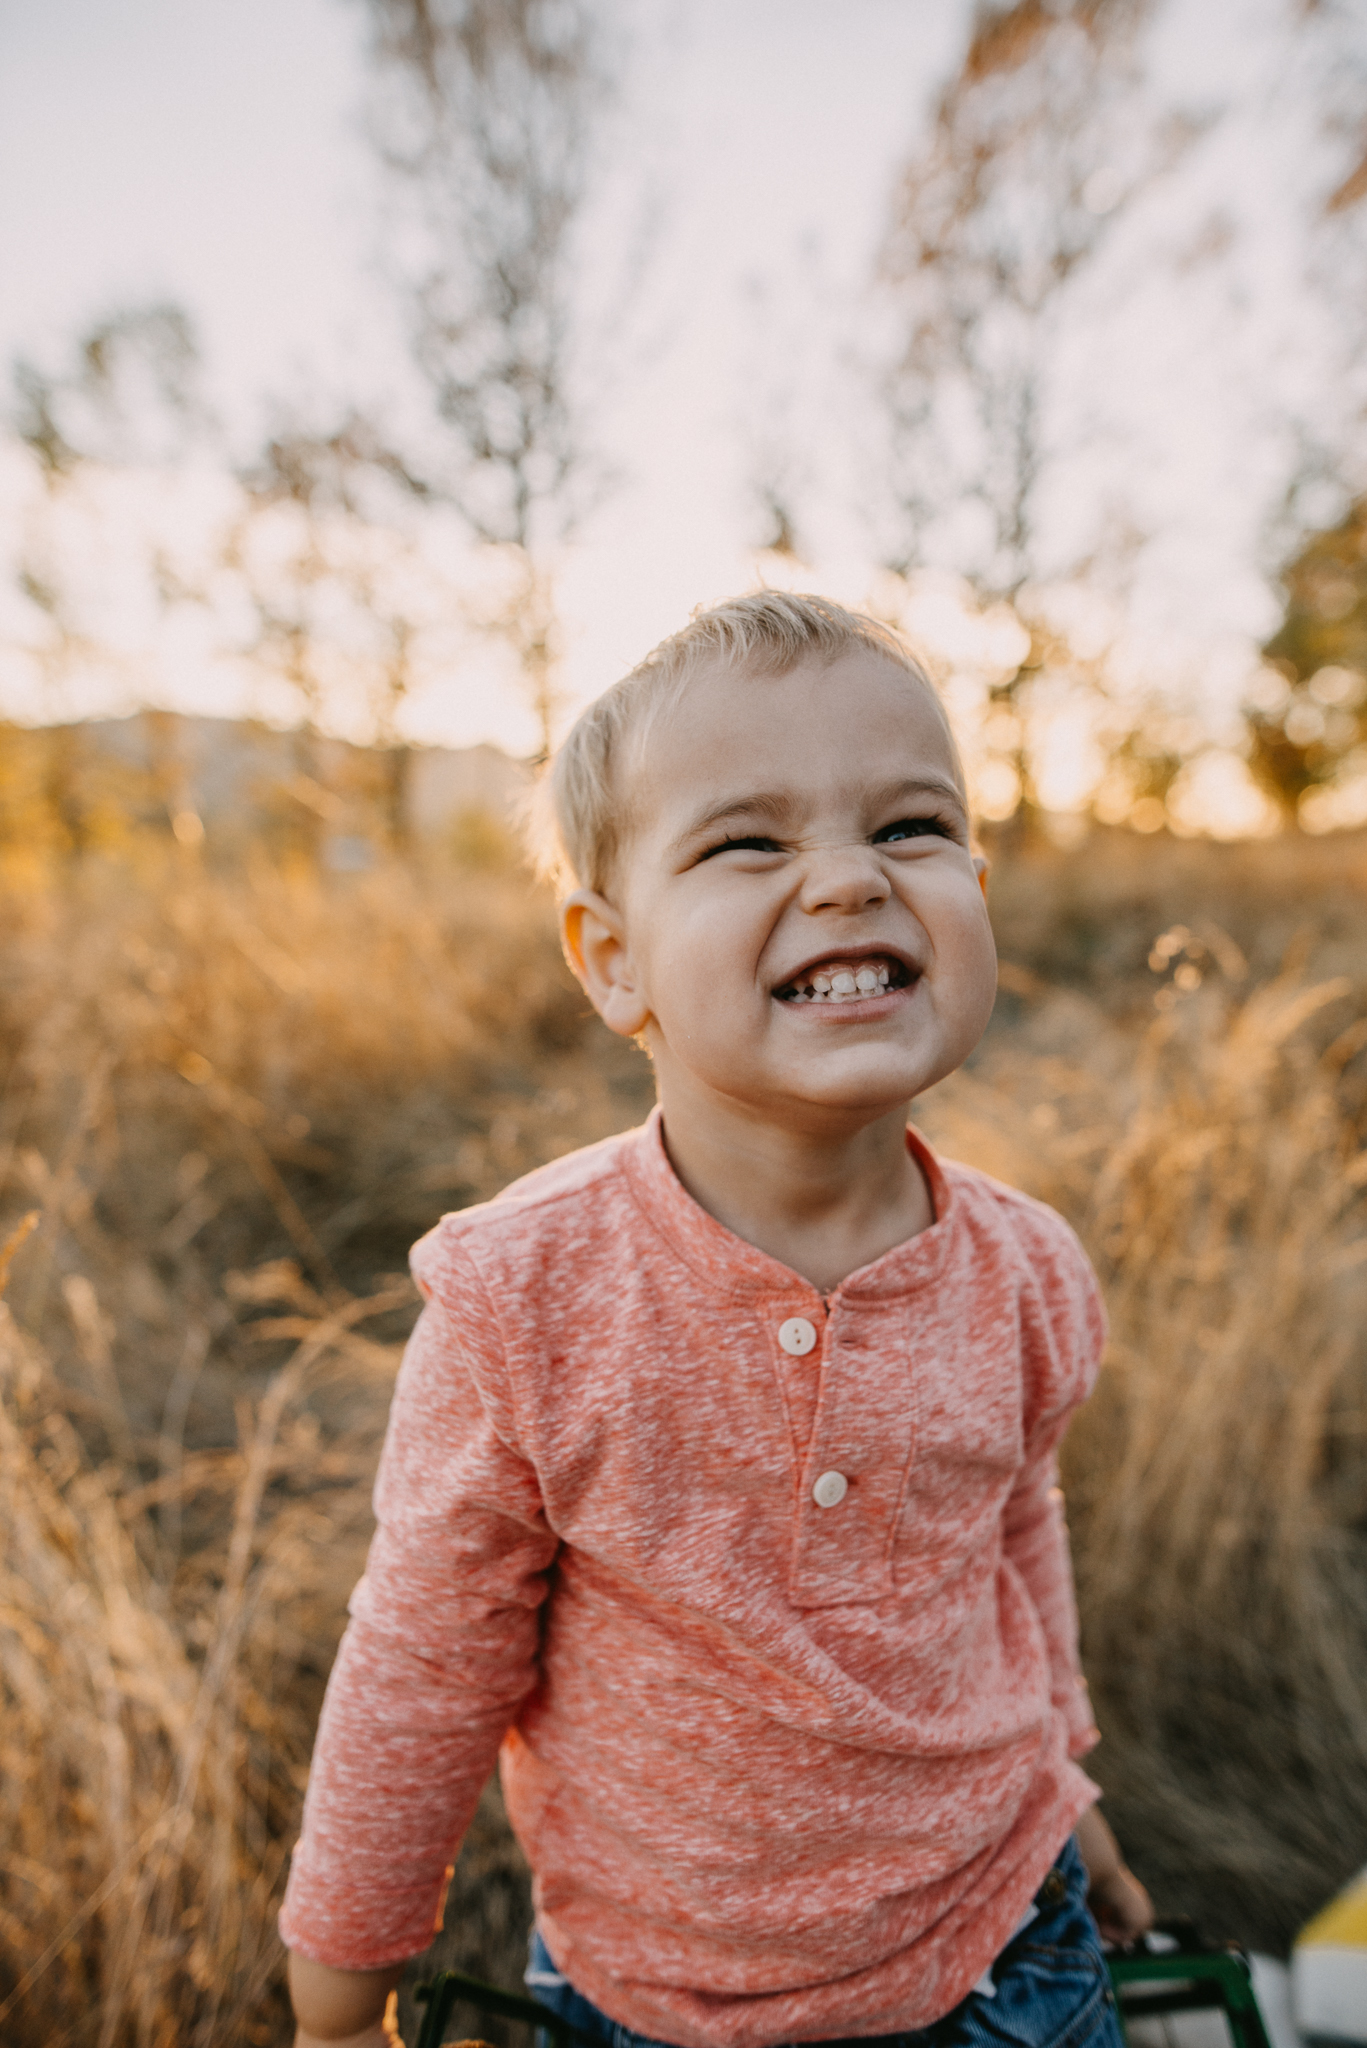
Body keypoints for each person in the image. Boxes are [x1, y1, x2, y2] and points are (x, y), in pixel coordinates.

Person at [282, 593, 1153, 2048]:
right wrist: (338, 1985)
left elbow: (1015, 1532)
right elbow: (426, 1663)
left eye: (912, 827)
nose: (850, 879)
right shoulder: (526, 1301)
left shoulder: (1026, 1269)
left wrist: (1073, 1789)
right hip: (665, 1993)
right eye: (749, 842)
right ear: (611, 958)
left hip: (1008, 1942)